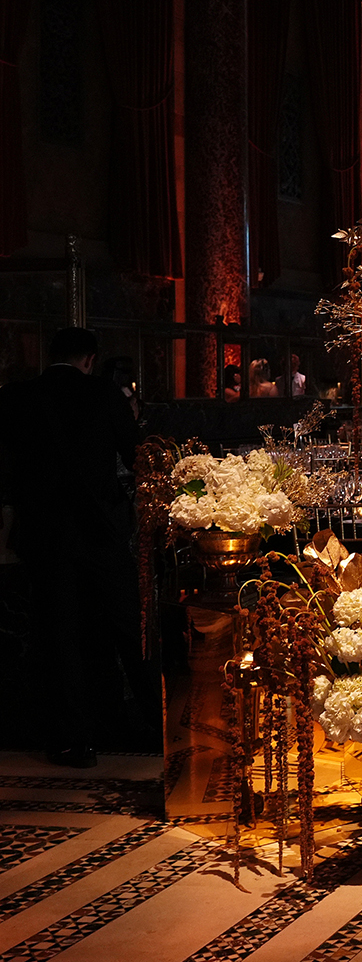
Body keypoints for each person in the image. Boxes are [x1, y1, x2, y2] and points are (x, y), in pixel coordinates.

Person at [0, 328, 144, 766]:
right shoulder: (103, 393)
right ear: (90, 359)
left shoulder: (17, 397)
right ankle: (148, 723)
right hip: (100, 530)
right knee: (127, 626)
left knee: (58, 634)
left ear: (51, 355)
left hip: (44, 534)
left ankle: (72, 740)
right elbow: (137, 454)